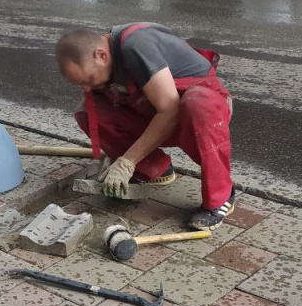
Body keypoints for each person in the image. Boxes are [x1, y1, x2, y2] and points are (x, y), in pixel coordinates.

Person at [56, 22, 235, 230]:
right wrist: (116, 157)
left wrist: (127, 161)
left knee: (197, 104)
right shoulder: (99, 61)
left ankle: (220, 197)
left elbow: (170, 110)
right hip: (155, 107)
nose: (86, 87)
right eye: (80, 83)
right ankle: (155, 169)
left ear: (101, 56)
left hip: (198, 111)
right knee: (88, 112)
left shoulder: (136, 46)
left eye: (88, 79)